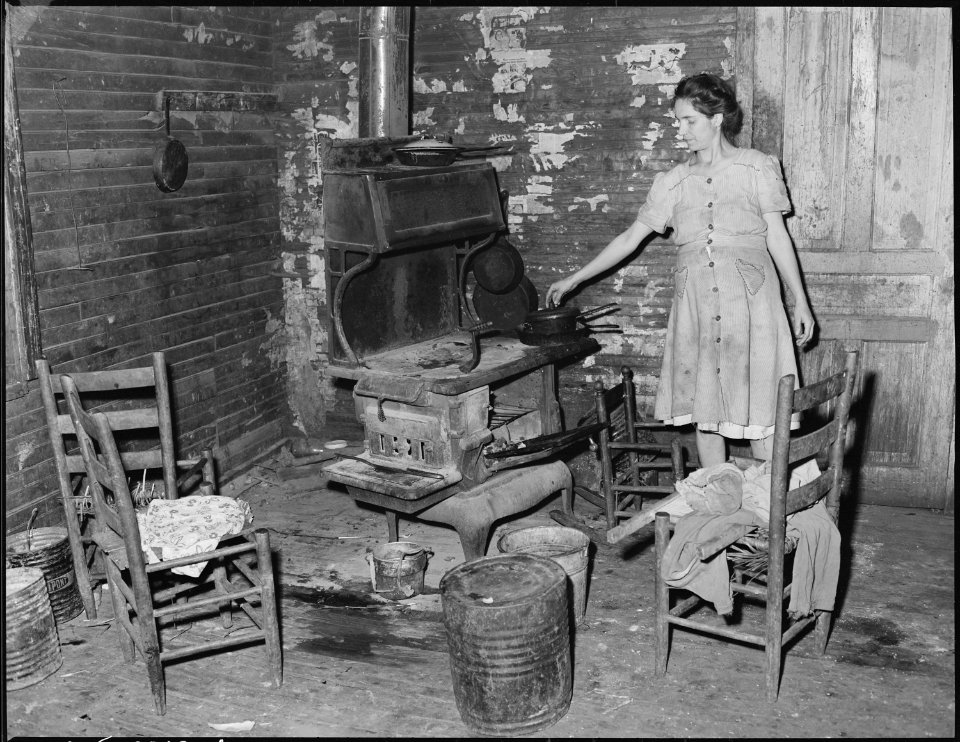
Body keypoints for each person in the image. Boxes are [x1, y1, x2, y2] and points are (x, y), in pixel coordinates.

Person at [546, 72, 815, 469]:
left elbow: (777, 237)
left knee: (763, 415)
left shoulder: (756, 168)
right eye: (677, 121)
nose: (681, 131)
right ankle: (717, 504)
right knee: (707, 415)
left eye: (689, 121)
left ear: (718, 118)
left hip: (753, 306)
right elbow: (628, 239)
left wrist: (801, 304)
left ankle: (765, 516)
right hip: (697, 307)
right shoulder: (672, 182)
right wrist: (575, 278)